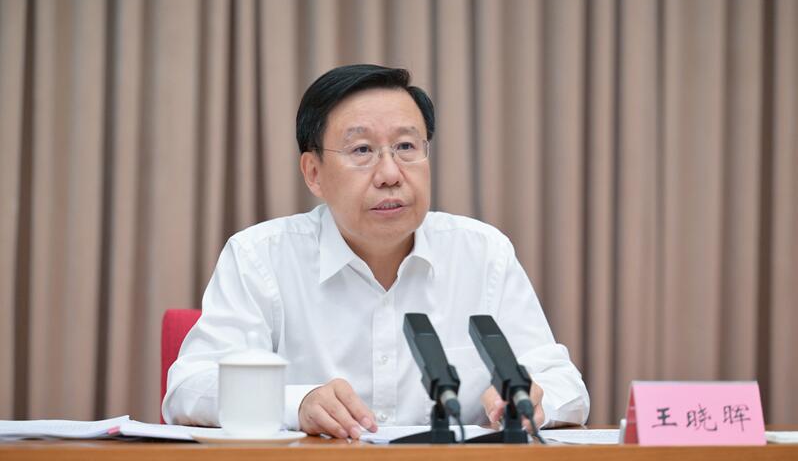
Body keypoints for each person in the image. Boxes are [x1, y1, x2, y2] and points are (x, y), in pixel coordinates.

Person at [162, 64, 589, 439]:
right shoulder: (260, 257)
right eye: (362, 150)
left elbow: (563, 383)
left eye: (406, 147)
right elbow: (189, 388)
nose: (389, 174)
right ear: (313, 173)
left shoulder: (482, 253)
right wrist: (297, 404)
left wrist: (533, 400)